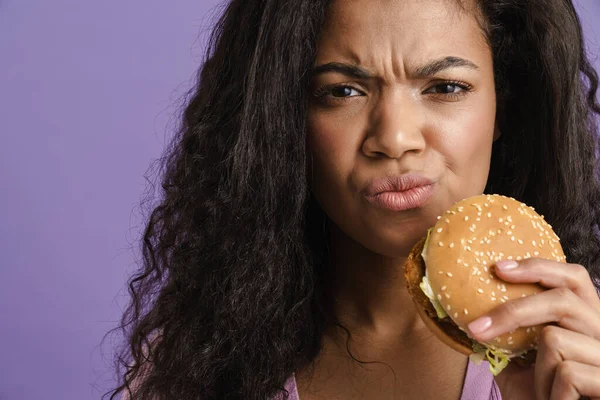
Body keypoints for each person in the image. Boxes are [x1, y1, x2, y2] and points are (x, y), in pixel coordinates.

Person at [105, 0, 600, 399]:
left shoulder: (584, 349)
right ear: (285, 120)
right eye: (342, 91)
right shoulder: (193, 368)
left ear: (503, 110)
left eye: (446, 86)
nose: (395, 137)